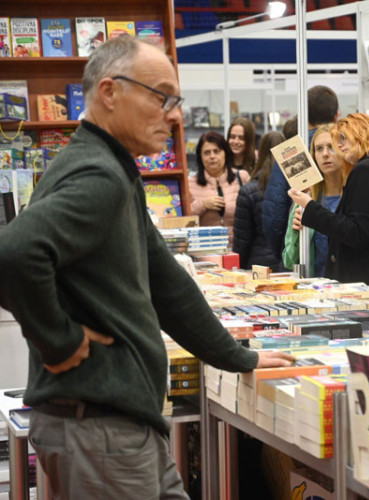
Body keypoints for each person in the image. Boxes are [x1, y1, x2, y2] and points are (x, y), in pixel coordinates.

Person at [0, 36, 294, 499]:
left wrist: (240, 357)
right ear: (110, 92)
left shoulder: (113, 169)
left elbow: (167, 282)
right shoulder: (100, 176)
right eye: (162, 97)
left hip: (119, 426)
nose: (175, 115)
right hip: (100, 430)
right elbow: (13, 252)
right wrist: (59, 340)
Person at [287, 113, 369, 284]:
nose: (339, 145)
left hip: (368, 280)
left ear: (361, 133)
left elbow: (356, 232)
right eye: (337, 140)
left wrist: (310, 208)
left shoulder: (367, 170)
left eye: (343, 138)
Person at [263, 86, 339, 263]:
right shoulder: (347, 149)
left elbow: (274, 212)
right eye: (319, 149)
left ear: (303, 115)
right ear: (337, 116)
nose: (324, 154)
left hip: (304, 256)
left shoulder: (293, 153)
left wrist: (285, 254)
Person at [283, 124, 344, 277]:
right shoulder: (306, 198)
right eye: (318, 149)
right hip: (313, 286)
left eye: (331, 147)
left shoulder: (354, 195)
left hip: (347, 285)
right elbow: (289, 261)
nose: (325, 154)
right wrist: (297, 234)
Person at [232, 131, 285, 270]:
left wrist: (239, 267)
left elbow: (242, 241)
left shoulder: (248, 191)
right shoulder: (295, 189)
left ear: (259, 153)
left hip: (258, 265)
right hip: (288, 261)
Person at [189, 131, 250, 246]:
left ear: (225, 153)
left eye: (216, 151)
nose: (212, 156)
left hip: (240, 252)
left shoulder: (242, 178)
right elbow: (182, 221)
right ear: (200, 157)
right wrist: (202, 205)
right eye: (207, 153)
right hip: (205, 254)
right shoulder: (190, 184)